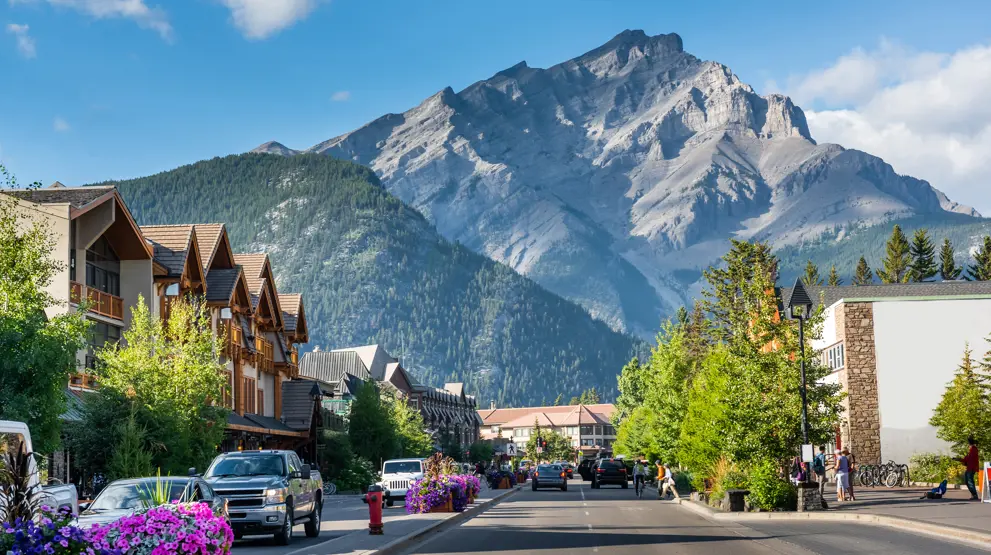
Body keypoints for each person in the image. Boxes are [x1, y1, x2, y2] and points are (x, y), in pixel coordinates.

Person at [960, 436, 980, 501]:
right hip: (970, 467)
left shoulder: (973, 449)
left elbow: (969, 459)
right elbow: (968, 458)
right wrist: (962, 459)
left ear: (969, 444)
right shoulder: (972, 449)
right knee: (968, 481)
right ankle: (973, 494)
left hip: (971, 468)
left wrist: (961, 459)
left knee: (969, 481)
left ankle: (974, 495)